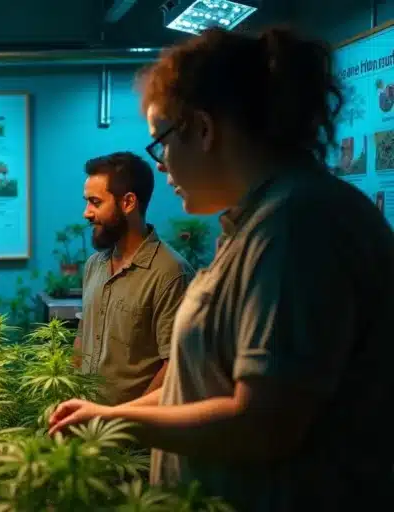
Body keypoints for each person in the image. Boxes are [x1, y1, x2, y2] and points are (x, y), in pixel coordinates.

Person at [48, 26, 394, 510]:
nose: (162, 165)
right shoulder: (260, 223)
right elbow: (200, 384)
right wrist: (107, 412)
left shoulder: (297, 227)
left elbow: (264, 424)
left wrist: (117, 422)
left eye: (161, 142)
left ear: (205, 130)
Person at [74, 151, 193, 405]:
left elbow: (174, 367)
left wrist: (125, 420)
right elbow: (82, 338)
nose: (86, 213)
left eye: (95, 202)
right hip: (86, 430)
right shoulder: (94, 265)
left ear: (128, 202)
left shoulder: (170, 273)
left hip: (133, 437)